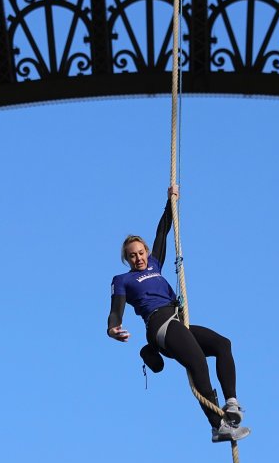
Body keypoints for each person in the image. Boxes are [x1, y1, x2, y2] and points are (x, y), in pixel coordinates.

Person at [107, 186, 250, 443]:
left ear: (146, 252)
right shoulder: (123, 280)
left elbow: (163, 231)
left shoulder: (154, 264)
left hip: (177, 321)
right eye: (132, 256)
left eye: (141, 252)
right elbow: (115, 310)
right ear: (126, 259)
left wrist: (170, 200)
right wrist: (113, 328)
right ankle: (218, 425)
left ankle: (231, 403)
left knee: (222, 344)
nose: (138, 258)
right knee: (197, 361)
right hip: (160, 325)